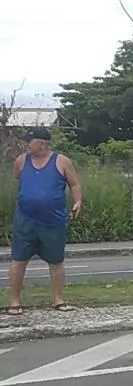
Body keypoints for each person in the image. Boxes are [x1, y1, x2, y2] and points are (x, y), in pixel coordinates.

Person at [6, 127, 82, 315]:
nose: (25, 144)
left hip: (54, 220)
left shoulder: (61, 161)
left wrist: (78, 201)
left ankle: (57, 299)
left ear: (41, 143)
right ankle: (14, 301)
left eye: (28, 141)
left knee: (56, 261)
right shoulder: (21, 161)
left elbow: (74, 183)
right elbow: (16, 181)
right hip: (25, 219)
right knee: (18, 260)